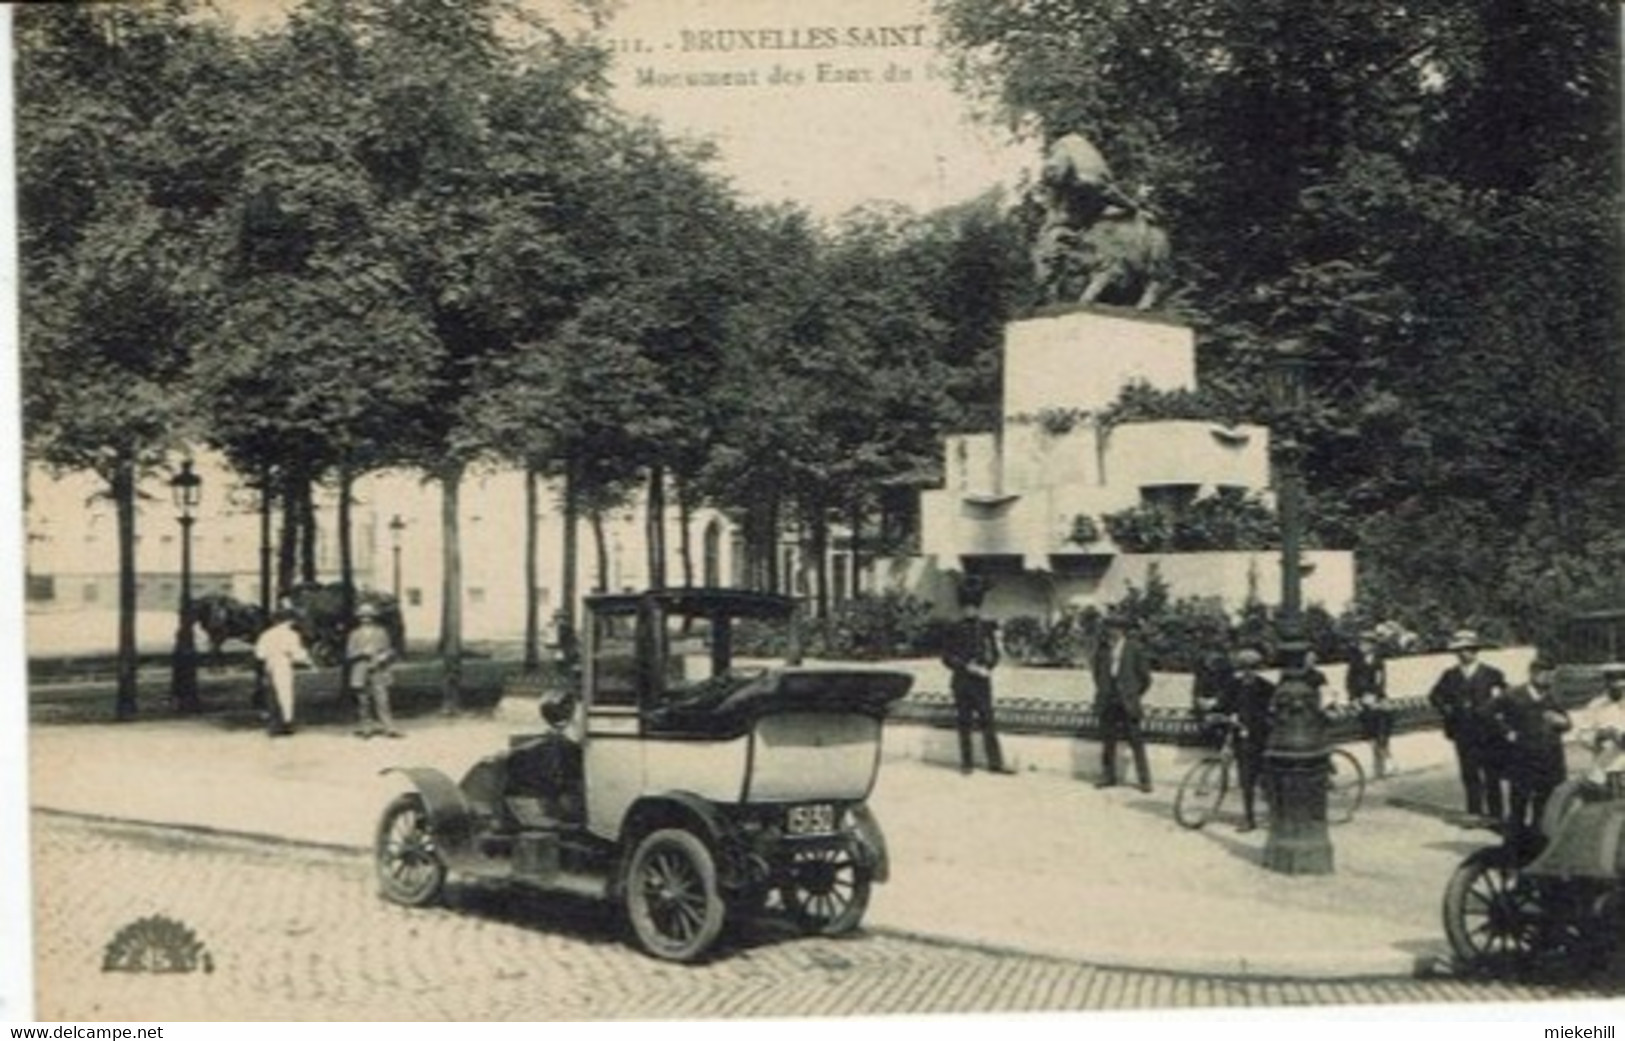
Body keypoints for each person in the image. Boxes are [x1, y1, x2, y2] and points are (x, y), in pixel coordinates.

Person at [1428, 629, 1509, 824]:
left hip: (1489, 731)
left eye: (1468, 649)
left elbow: (1505, 697)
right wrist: (1448, 711)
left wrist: (1497, 714)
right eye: (1459, 650)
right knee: (1469, 772)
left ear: (1476, 651)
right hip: (1463, 730)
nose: (1464, 654)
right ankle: (1474, 811)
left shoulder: (1492, 674)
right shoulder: (1450, 675)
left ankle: (1495, 813)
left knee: (1492, 773)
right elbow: (1434, 696)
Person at [940, 583, 1011, 775]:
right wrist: (965, 666)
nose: (969, 610)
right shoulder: (953, 628)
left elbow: (995, 654)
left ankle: (996, 764)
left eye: (973, 607)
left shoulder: (986, 628)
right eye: (966, 607)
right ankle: (967, 763)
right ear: (962, 608)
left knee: (988, 721)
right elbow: (946, 657)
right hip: (961, 682)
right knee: (964, 723)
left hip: (981, 682)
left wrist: (988, 666)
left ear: (978, 607)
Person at [1495, 656, 1571, 831]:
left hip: (1550, 760)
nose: (1550, 678)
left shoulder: (1552, 697)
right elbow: (1487, 714)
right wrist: (1507, 732)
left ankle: (1538, 842)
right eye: (1545, 674)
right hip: (1523, 760)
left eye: (1552, 675)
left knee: (1545, 805)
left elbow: (1567, 723)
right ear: (1533, 673)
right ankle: (1515, 846)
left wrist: (1562, 722)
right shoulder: (1512, 695)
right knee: (1519, 804)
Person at [1092, 615, 1153, 792]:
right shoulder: (1102, 650)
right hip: (1109, 700)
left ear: (1122, 631)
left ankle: (1145, 780)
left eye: (1115, 628)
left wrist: (1133, 694)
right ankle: (1108, 776)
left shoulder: (1134, 648)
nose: (1111, 632)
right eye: (1109, 628)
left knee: (1136, 741)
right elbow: (1097, 674)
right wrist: (1105, 690)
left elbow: (1145, 678)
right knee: (1108, 740)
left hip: (1127, 702)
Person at [1219, 647, 1275, 832]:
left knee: (1266, 779)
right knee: (1246, 780)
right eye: (1244, 667)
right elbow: (1224, 705)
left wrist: (1253, 722)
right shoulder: (1232, 685)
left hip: (1260, 737)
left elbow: (1269, 713)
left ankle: (1275, 813)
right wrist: (1228, 715)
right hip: (1240, 737)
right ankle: (1249, 818)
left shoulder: (1266, 687)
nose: (1247, 671)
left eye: (1252, 667)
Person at [254, 609, 313, 738]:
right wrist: (306, 658)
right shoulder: (291, 635)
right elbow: (297, 654)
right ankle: (287, 723)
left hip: (270, 665)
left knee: (272, 695)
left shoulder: (266, 634)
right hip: (284, 664)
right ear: (289, 621)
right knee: (285, 693)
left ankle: (273, 725)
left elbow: (259, 654)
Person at [347, 601, 401, 739]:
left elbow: (389, 650)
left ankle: (389, 727)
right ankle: (366, 727)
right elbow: (349, 654)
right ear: (359, 618)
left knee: (382, 699)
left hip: (378, 669)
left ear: (374, 617)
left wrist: (384, 656)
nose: (366, 619)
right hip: (360, 669)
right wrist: (361, 652)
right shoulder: (354, 634)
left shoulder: (381, 632)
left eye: (369, 616)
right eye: (363, 616)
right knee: (363, 701)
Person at [1347, 631, 1393, 778]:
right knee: (1372, 717)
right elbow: (1350, 682)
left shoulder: (1378, 661)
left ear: (1373, 646)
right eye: (1362, 643)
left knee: (1385, 714)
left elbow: (1381, 681)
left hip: (1375, 697)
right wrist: (1355, 698)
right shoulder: (1355, 661)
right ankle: (1382, 756)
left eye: (1367, 643)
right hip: (1361, 698)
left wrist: (1377, 696)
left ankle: (1383, 751)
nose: (1363, 646)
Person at [1573, 665, 1625, 790]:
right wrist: (1600, 735)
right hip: (1605, 770)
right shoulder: (1596, 706)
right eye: (1612, 682)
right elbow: (1582, 735)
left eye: (1621, 682)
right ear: (1605, 684)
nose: (1617, 686)